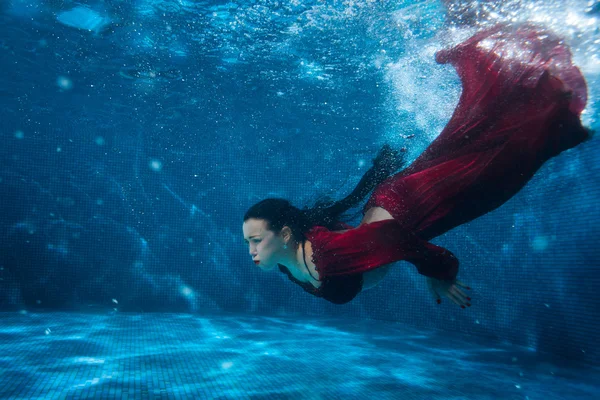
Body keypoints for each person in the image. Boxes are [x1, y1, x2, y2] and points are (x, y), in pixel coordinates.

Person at [242, 23, 592, 307]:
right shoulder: (289, 265)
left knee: (496, 162)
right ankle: (530, 72)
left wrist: (440, 275)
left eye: (256, 240)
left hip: (411, 205)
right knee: (475, 144)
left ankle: (548, 81)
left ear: (284, 235)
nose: (252, 251)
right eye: (248, 243)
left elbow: (403, 242)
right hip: (396, 205)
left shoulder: (329, 256)